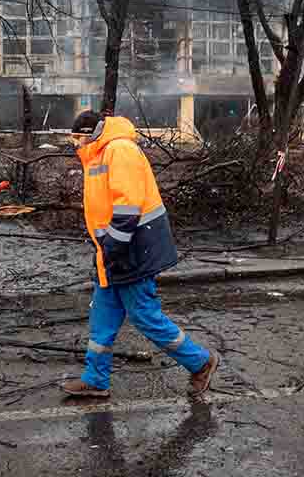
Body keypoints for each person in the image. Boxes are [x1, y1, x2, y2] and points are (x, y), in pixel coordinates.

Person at [61, 110, 219, 399]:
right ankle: (95, 379)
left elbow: (127, 206)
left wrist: (112, 248)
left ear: (91, 133)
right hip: (113, 252)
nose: (74, 145)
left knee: (144, 316)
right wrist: (106, 251)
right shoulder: (100, 153)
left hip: (131, 250)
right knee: (102, 318)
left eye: (77, 138)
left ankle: (200, 362)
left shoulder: (119, 150)